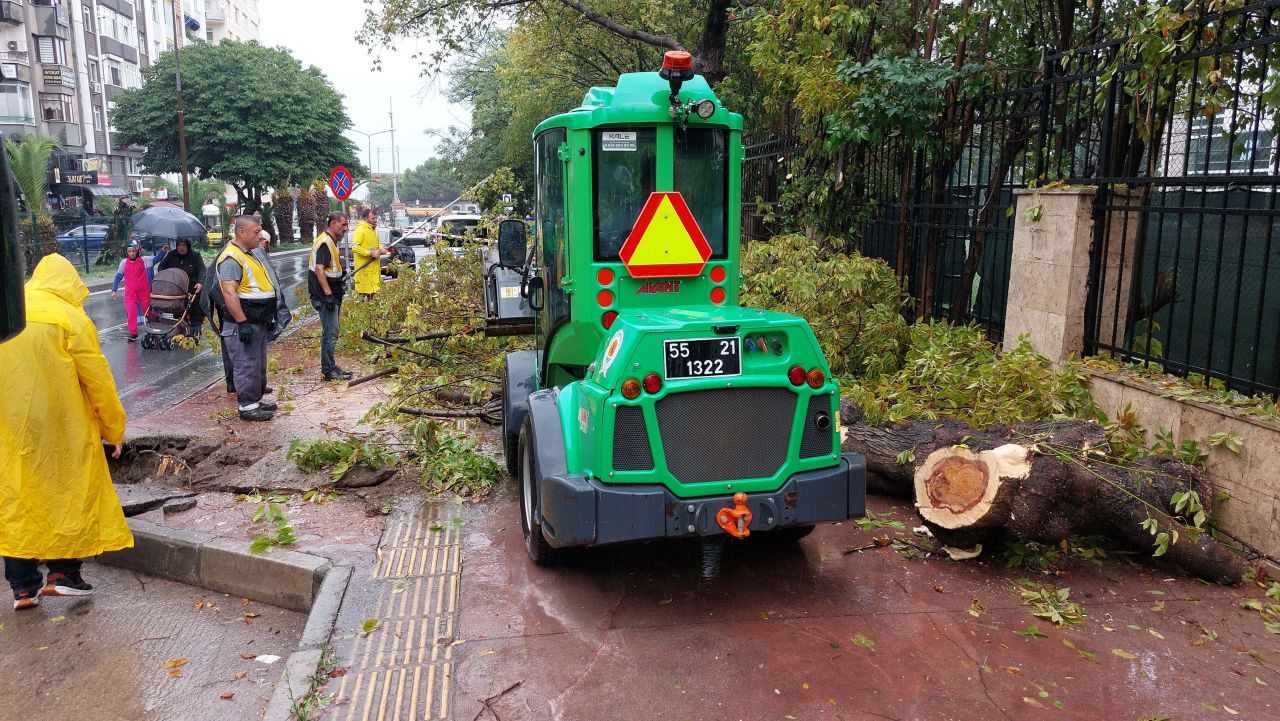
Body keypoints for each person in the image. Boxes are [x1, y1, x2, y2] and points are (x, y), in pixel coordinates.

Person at [0, 255, 132, 610]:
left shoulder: (9, 309)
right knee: (69, 495)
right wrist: (113, 429)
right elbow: (97, 380)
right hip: (63, 427)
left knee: (16, 498)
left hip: (9, 427)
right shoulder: (70, 318)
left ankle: (22, 588)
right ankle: (63, 576)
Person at [216, 215, 278, 421]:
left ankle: (255, 401)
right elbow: (229, 292)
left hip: (256, 320)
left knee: (257, 364)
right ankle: (248, 407)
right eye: (256, 231)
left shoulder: (249, 254)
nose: (260, 235)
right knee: (246, 364)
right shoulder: (232, 258)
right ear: (241, 233)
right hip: (243, 323)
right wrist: (242, 322)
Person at [309, 211, 351, 381]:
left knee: (332, 331)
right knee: (331, 332)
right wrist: (328, 294)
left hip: (331, 294)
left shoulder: (331, 241)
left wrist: (341, 276)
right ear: (333, 224)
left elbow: (329, 269)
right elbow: (319, 269)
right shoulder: (325, 242)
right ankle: (328, 369)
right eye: (343, 225)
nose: (346, 229)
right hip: (325, 296)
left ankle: (330, 366)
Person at [156, 238, 206, 337]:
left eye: (184, 245)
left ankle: (195, 328)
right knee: (175, 307)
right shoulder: (171, 255)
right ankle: (178, 326)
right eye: (179, 245)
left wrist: (200, 282)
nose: (181, 248)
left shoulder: (195, 256)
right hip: (176, 287)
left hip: (192, 287)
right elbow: (161, 267)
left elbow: (202, 270)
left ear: (188, 246)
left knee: (195, 306)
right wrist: (167, 277)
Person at [110, 240, 153, 341]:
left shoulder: (145, 260)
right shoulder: (124, 263)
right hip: (130, 294)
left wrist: (163, 252)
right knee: (131, 313)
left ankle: (152, 329)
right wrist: (114, 290)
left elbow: (157, 259)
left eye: (133, 251)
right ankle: (133, 333)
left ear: (137, 250)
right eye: (129, 251)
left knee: (148, 312)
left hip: (144, 292)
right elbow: (118, 276)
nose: (131, 253)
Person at [351, 207, 386, 298]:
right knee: (364, 296)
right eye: (373, 218)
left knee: (374, 296)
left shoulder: (374, 229)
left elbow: (376, 244)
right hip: (364, 268)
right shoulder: (360, 230)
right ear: (365, 219)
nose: (375, 220)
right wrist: (369, 253)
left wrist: (381, 249)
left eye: (376, 218)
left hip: (374, 267)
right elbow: (355, 247)